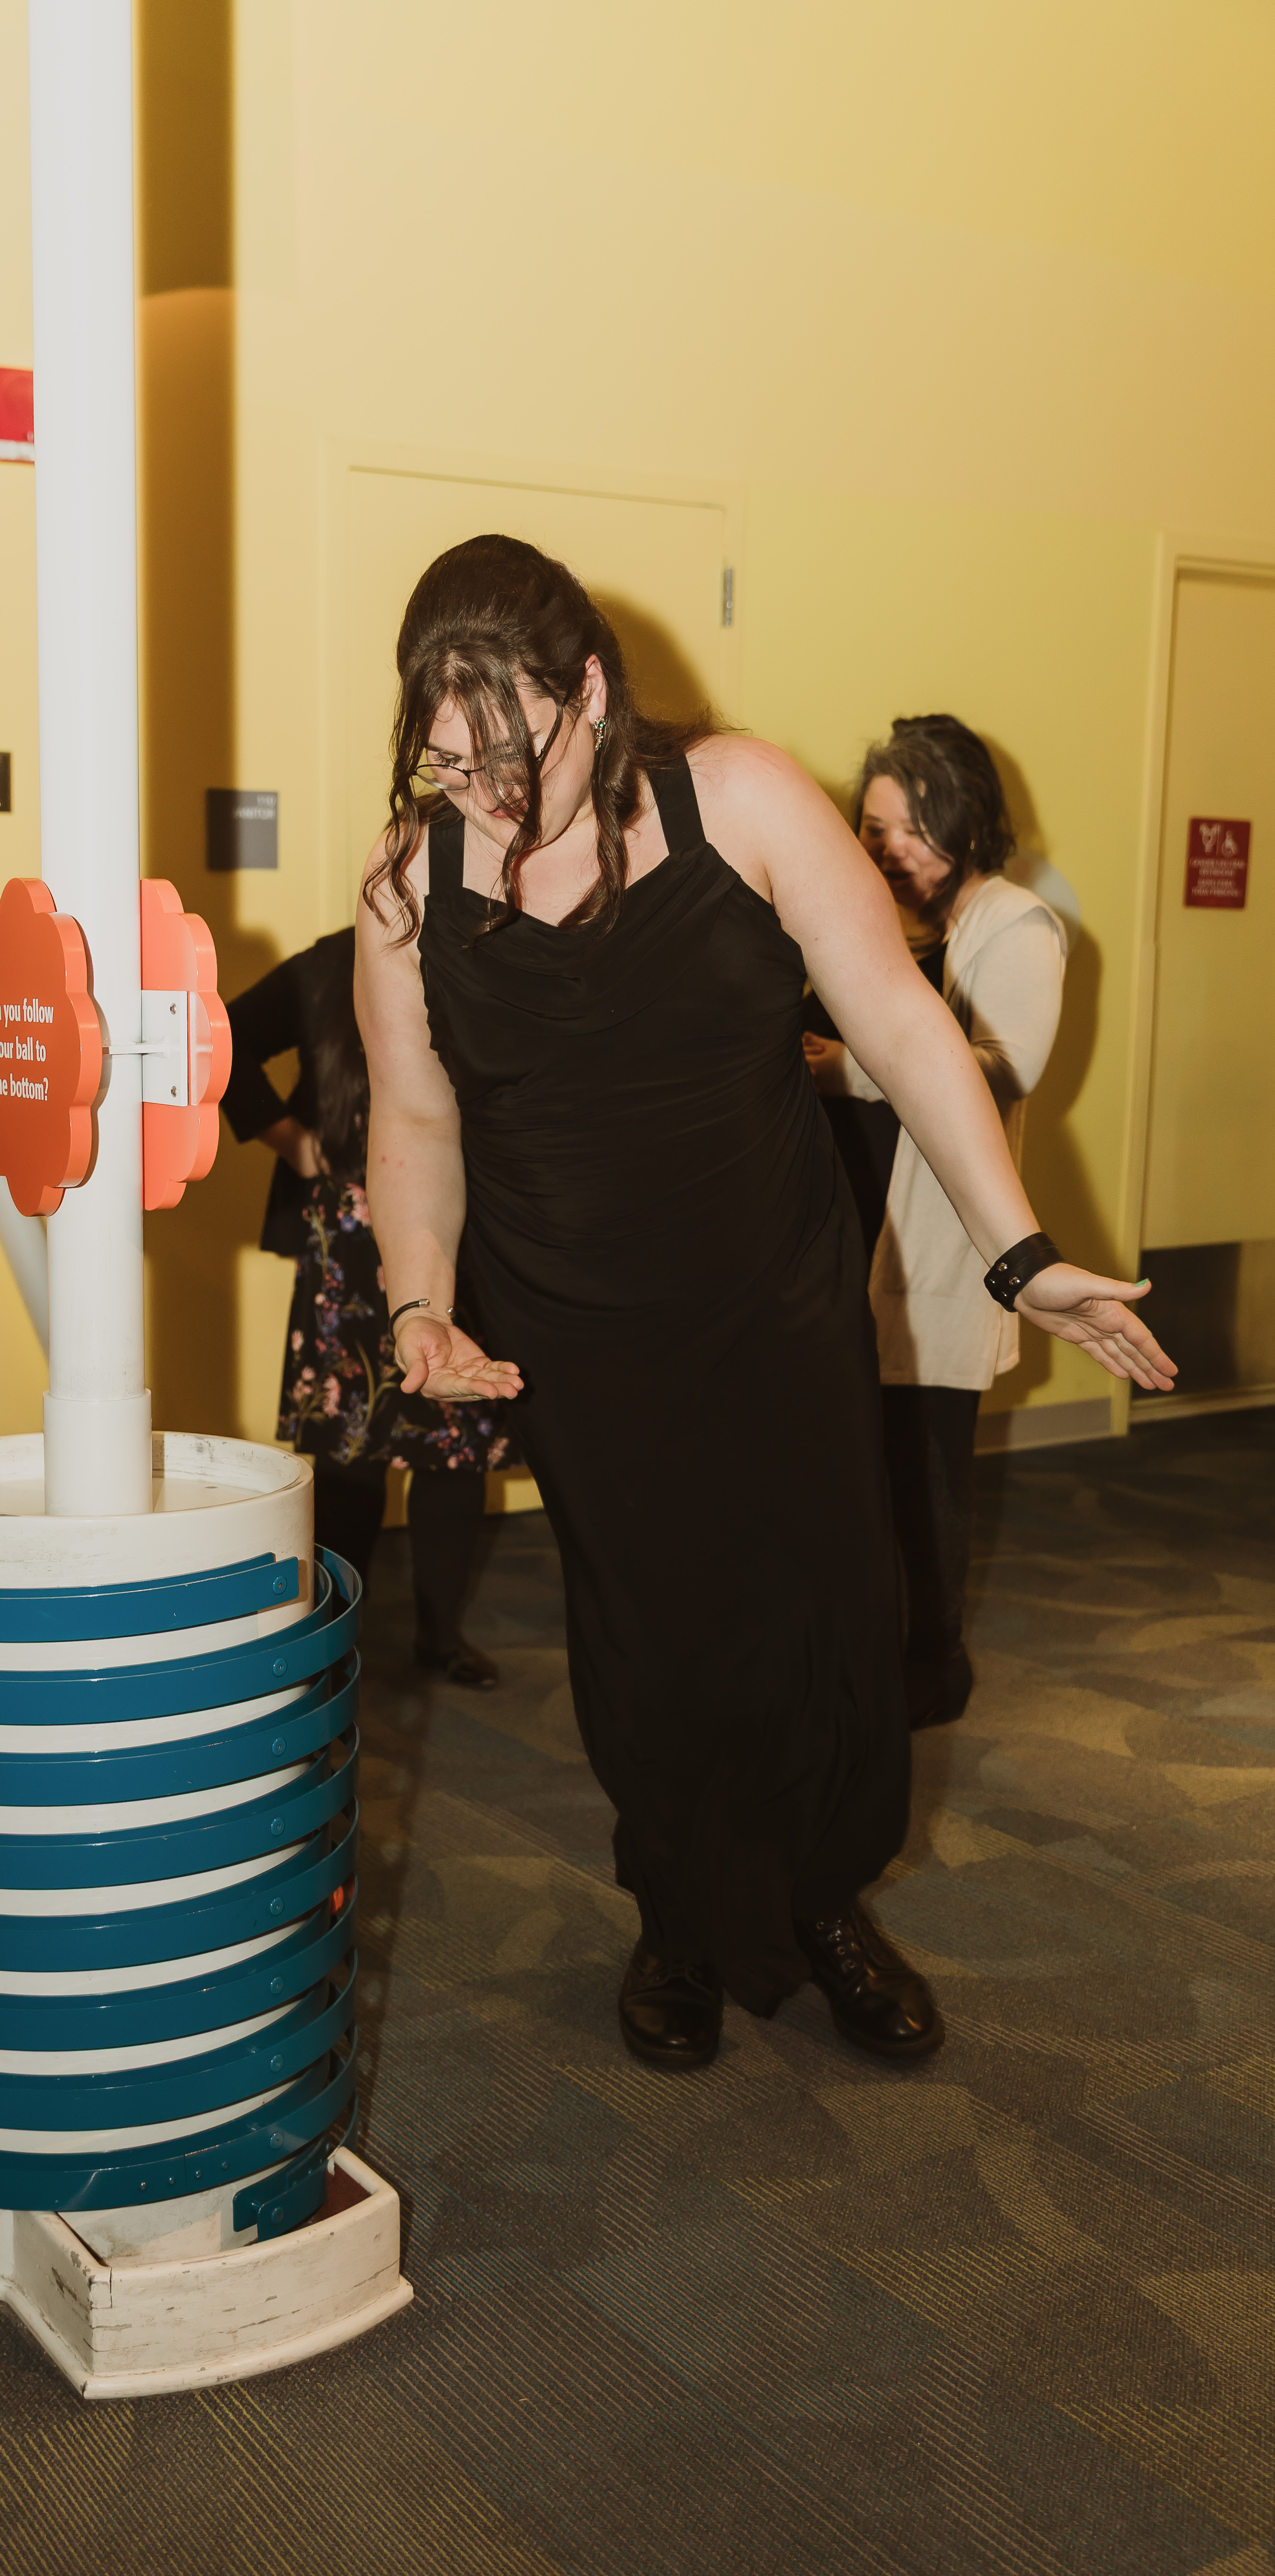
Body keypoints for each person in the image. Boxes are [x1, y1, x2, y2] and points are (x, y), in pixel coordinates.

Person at [355, 534, 1174, 2074]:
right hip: (578, 1326)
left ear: (591, 690)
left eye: (510, 757)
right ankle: (676, 1915)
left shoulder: (738, 800)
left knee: (824, 1605)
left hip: (769, 1301)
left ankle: (822, 1900)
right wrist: (416, 1308)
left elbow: (906, 1030)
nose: (485, 799)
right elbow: (414, 1118)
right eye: (450, 765)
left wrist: (1020, 1255)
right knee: (648, 1627)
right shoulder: (411, 885)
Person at [804, 716, 1066, 1730]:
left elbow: (1004, 1069)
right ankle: (866, 1646)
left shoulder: (1015, 924)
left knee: (924, 1466)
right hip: (842, 1226)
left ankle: (936, 1656)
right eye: (874, 829)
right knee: (852, 1466)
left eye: (912, 830)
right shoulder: (863, 920)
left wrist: (850, 1068)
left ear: (965, 823)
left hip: (934, 1238)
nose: (889, 850)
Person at [223, 926, 512, 1687]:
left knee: (456, 1444)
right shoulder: (331, 962)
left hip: (457, 1224)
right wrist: (295, 1144)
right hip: (348, 1232)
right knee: (349, 1448)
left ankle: (440, 1636)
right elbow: (223, 1038)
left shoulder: (489, 948)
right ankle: (332, 1633)